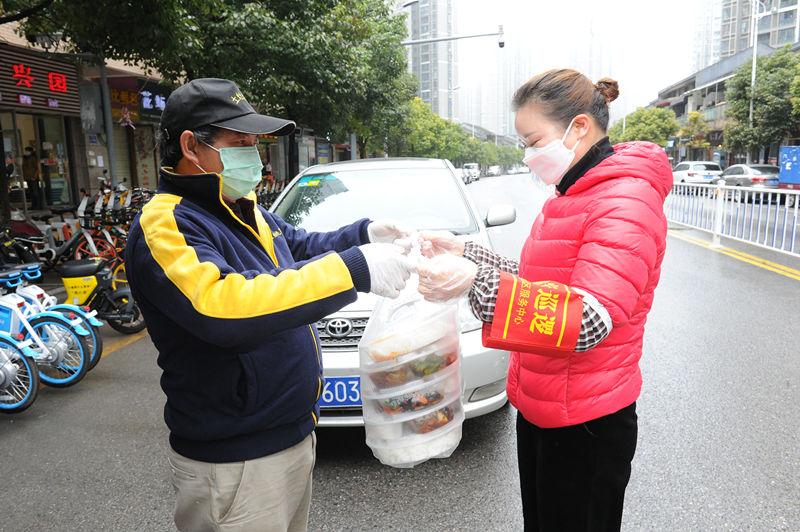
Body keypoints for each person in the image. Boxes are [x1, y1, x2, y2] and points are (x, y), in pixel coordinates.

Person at [125, 78, 414, 532]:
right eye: (239, 143)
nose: (253, 156)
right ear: (191, 146)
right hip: (235, 461)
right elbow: (218, 305)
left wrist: (365, 235)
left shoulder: (241, 207)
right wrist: (354, 270)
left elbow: (298, 246)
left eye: (255, 144)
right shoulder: (167, 222)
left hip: (290, 437)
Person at [416, 69, 672, 531]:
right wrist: (465, 251)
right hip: (545, 405)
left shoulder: (624, 201)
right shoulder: (573, 192)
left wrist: (476, 281)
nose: (529, 155)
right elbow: (540, 279)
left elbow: (589, 319)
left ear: (578, 127)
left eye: (533, 141)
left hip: (585, 419)